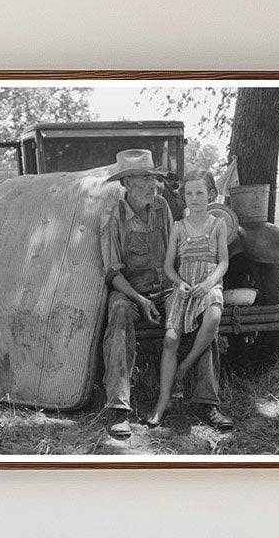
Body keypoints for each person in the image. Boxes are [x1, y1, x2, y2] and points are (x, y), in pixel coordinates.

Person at [100, 150, 234, 438]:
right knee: (119, 313)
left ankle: (206, 402)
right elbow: (112, 272)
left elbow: (176, 256)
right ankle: (118, 409)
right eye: (145, 179)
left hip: (167, 289)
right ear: (127, 184)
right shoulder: (113, 217)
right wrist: (139, 299)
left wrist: (192, 284)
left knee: (201, 311)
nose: (153, 185)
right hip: (130, 293)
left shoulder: (162, 207)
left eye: (154, 179)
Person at [147, 174, 229, 427]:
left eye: (200, 193)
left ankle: (186, 365)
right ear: (184, 197)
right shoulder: (178, 227)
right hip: (184, 286)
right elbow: (169, 266)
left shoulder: (218, 224)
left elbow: (223, 261)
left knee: (214, 315)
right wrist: (179, 283)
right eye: (190, 194)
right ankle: (163, 402)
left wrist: (208, 284)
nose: (195, 199)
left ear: (211, 195)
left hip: (209, 284)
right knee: (171, 339)